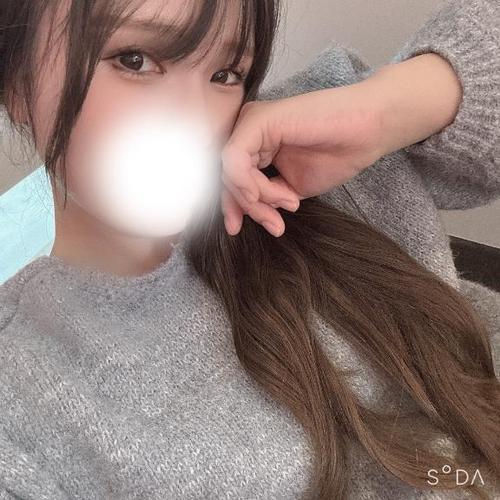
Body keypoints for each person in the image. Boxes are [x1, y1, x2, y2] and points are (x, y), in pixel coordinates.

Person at [0, 0, 499, 498]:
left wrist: (389, 110)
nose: (197, 124)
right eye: (134, 60)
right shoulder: (22, 403)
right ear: (16, 84)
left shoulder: (314, 143)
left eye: (225, 74)